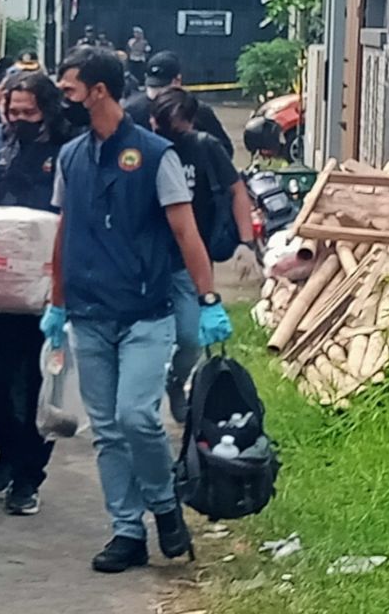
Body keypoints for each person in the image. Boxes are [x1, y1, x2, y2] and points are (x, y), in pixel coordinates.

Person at [41, 47, 233, 574]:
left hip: (146, 312)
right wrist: (56, 305)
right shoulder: (72, 157)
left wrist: (208, 297)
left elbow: (184, 230)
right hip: (89, 313)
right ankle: (127, 530)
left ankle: (165, 506)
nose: (65, 101)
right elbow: (64, 231)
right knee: (105, 429)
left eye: (71, 91)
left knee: (135, 418)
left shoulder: (155, 155)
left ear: (98, 91)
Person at [0, 73, 70, 514]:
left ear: (47, 110)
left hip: (51, 295)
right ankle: (8, 449)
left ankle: (28, 477)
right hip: (3, 296)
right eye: (13, 113)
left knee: (39, 391)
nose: (20, 120)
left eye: (29, 112)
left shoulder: (67, 156)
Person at [150, 87, 257, 423]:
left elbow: (237, 190)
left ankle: (176, 381)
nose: (170, 136)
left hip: (189, 259)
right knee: (148, 339)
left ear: (191, 122)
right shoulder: (143, 149)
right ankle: (144, 404)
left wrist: (246, 243)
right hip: (146, 260)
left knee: (189, 336)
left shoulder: (204, 148)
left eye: (178, 128)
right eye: (162, 127)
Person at [123, 51, 233, 157]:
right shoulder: (130, 111)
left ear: (177, 81)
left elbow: (225, 151)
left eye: (162, 87)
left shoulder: (198, 111)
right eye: (152, 86)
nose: (156, 94)